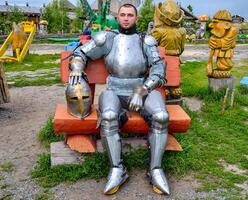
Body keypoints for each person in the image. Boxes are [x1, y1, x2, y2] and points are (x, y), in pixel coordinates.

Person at [69, 4, 170, 195]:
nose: (125, 18)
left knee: (161, 116)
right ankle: (117, 168)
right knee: (107, 116)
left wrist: (143, 90)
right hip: (114, 90)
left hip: (142, 89)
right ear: (118, 17)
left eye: (130, 15)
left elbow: (158, 68)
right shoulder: (108, 39)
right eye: (122, 15)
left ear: (136, 18)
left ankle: (156, 169)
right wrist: (76, 67)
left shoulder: (145, 41)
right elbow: (81, 53)